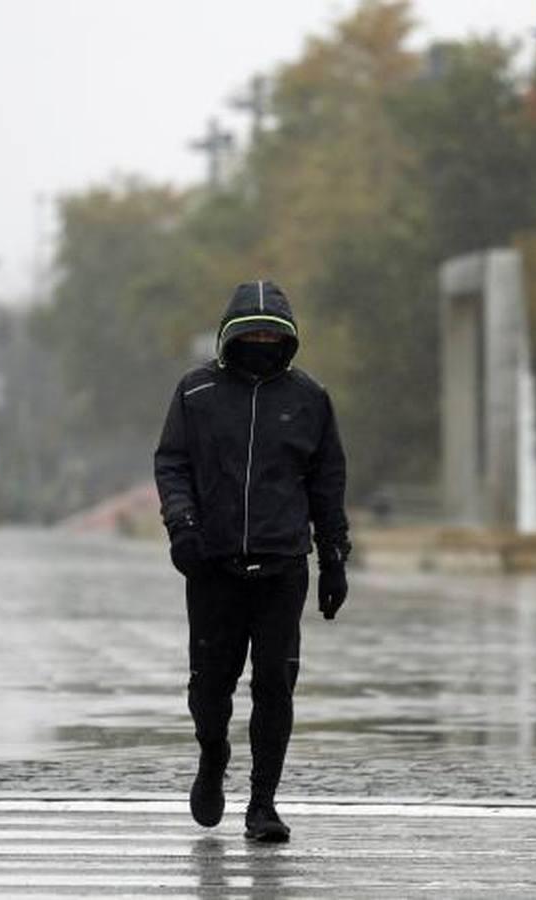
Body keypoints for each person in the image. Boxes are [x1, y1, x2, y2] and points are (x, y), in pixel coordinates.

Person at [153, 279, 350, 843]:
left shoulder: (310, 400)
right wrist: (182, 526)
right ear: (230, 335)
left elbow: (327, 483)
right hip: (212, 566)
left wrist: (334, 558)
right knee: (210, 688)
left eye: (272, 333)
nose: (261, 340)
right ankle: (212, 756)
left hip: (282, 565)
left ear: (287, 338)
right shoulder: (196, 394)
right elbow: (172, 464)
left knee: (275, 685)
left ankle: (263, 803)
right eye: (252, 332)